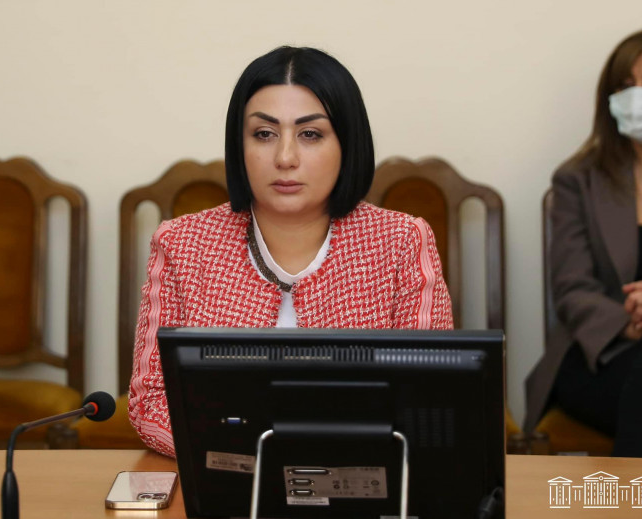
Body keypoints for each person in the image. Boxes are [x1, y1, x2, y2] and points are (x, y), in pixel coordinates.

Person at [128, 46, 453, 457]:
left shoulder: (402, 240)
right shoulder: (183, 242)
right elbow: (151, 402)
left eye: (310, 134)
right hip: (230, 477)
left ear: (347, 143)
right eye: (264, 134)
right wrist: (255, 456)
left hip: (359, 481)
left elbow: (426, 397)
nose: (285, 158)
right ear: (239, 144)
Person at [525, 27, 642, 457]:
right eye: (626, 86)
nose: (638, 97)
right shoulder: (578, 180)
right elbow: (571, 288)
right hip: (600, 353)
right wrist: (633, 322)